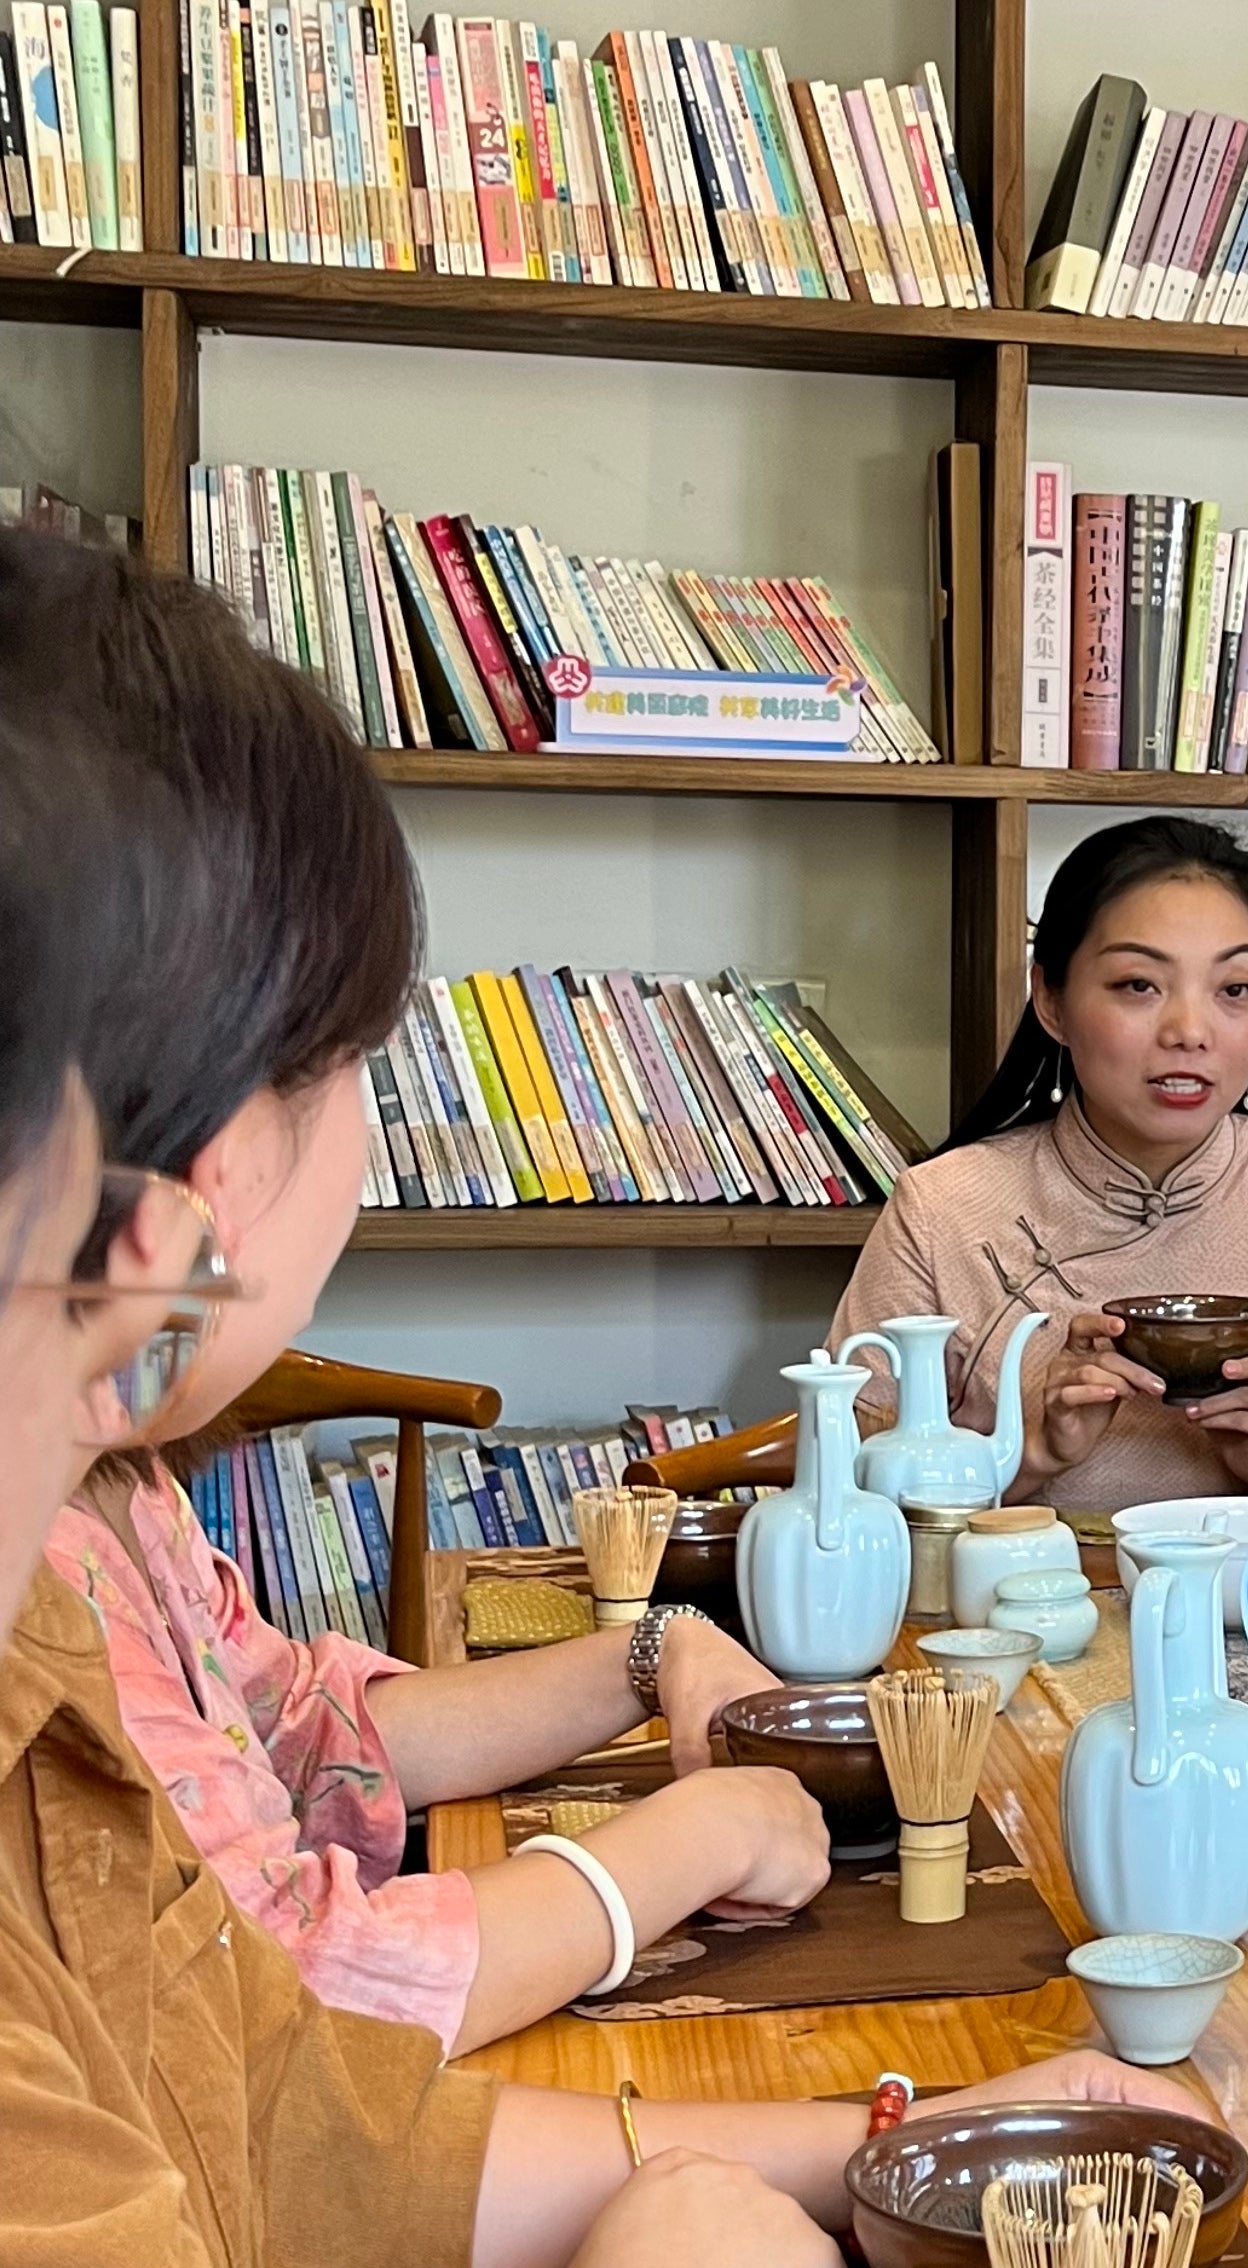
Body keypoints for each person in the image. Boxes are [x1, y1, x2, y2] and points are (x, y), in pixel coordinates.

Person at [0, 527, 1199, 2268]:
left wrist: (885, 2143)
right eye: (351, 1058)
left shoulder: (62, 1587)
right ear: (181, 1219)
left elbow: (288, 2117)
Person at [6, 529, 817, 2054]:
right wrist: (682, 1848)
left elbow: (297, 1729)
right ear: (229, 1158)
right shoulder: (42, 1543)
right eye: (363, 1058)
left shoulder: (105, 1476)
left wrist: (649, 1654)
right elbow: (301, 2004)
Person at [832, 816, 1248, 1511]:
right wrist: (1033, 1452)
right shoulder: (942, 1207)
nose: (1190, 1033)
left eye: (1235, 989)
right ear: (1051, 999)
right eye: (1139, 985)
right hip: (1023, 1614)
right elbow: (847, 1486)